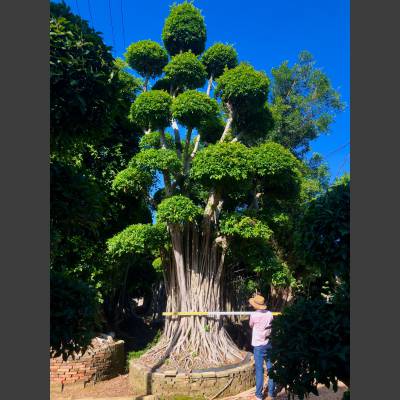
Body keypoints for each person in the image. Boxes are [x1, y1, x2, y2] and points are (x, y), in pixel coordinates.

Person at [249, 294, 276, 400]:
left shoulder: (254, 315)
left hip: (258, 345)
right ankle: (271, 393)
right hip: (268, 343)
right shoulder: (269, 314)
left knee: (259, 370)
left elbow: (251, 325)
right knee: (271, 369)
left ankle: (259, 395)